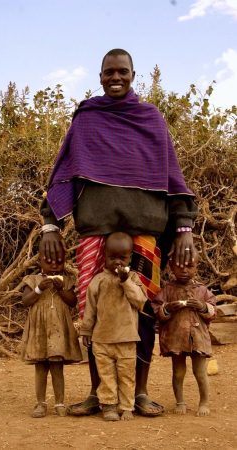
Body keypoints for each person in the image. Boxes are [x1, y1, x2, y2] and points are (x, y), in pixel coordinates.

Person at [39, 48, 197, 416]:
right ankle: (100, 393)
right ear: (99, 76)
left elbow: (173, 180)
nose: (115, 77)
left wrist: (184, 228)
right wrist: (51, 224)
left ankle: (137, 392)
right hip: (97, 234)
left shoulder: (151, 118)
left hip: (144, 236)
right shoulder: (87, 119)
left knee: (141, 316)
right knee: (96, 314)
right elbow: (64, 175)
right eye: (109, 72)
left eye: (122, 71)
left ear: (133, 74)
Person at [80, 232, 147, 421]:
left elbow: (140, 301)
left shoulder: (133, 279)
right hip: (102, 339)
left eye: (122, 258)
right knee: (106, 375)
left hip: (127, 339)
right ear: (104, 255)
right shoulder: (98, 280)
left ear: (130, 258)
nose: (117, 262)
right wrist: (86, 330)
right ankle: (108, 405)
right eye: (112, 257)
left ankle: (127, 406)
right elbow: (90, 309)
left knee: (127, 375)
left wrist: (125, 281)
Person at [151, 252, 216, 416]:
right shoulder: (167, 289)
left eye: (189, 266)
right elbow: (157, 309)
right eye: (179, 266)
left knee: (200, 372)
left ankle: (204, 402)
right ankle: (180, 401)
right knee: (178, 372)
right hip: (176, 338)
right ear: (171, 267)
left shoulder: (202, 290)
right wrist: (167, 308)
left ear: (196, 267)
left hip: (198, 337)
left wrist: (202, 307)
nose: (184, 270)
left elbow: (213, 309)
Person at [20, 251, 82, 418]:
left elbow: (72, 302)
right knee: (40, 366)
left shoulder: (67, 281)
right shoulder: (32, 280)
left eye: (59, 261)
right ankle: (40, 403)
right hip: (40, 329)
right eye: (49, 261)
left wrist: (61, 289)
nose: (54, 265)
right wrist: (39, 289)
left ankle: (60, 403)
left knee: (57, 366)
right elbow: (26, 301)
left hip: (58, 330)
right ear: (40, 262)